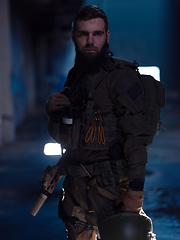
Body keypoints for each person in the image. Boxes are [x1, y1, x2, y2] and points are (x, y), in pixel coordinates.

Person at [46, 5, 154, 240]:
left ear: (106, 36)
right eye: (84, 34)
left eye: (96, 34)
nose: (90, 41)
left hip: (112, 191)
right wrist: (54, 109)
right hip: (77, 192)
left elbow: (137, 141)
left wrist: (135, 194)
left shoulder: (121, 76)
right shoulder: (75, 76)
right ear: (74, 36)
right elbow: (74, 135)